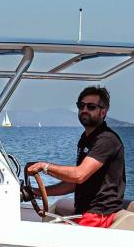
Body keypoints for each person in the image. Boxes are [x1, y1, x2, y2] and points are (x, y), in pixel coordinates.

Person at [24, 86, 126, 227]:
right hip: (84, 212)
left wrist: (44, 167)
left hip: (99, 215)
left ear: (103, 112)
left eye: (91, 107)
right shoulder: (86, 139)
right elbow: (74, 183)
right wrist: (38, 192)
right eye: (81, 106)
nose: (84, 110)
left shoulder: (107, 140)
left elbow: (79, 175)